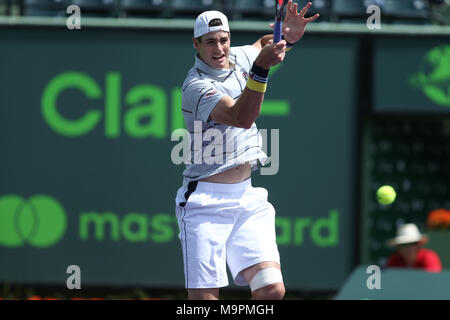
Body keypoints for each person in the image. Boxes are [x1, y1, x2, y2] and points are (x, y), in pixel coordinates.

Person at [174, 2, 319, 300]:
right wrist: (262, 69)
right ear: (196, 44)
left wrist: (287, 38)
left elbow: (264, 44)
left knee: (271, 290)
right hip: (204, 204)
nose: (219, 48)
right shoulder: (196, 86)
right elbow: (242, 117)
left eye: (224, 40)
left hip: (247, 198)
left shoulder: (238, 56)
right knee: (204, 302)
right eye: (210, 42)